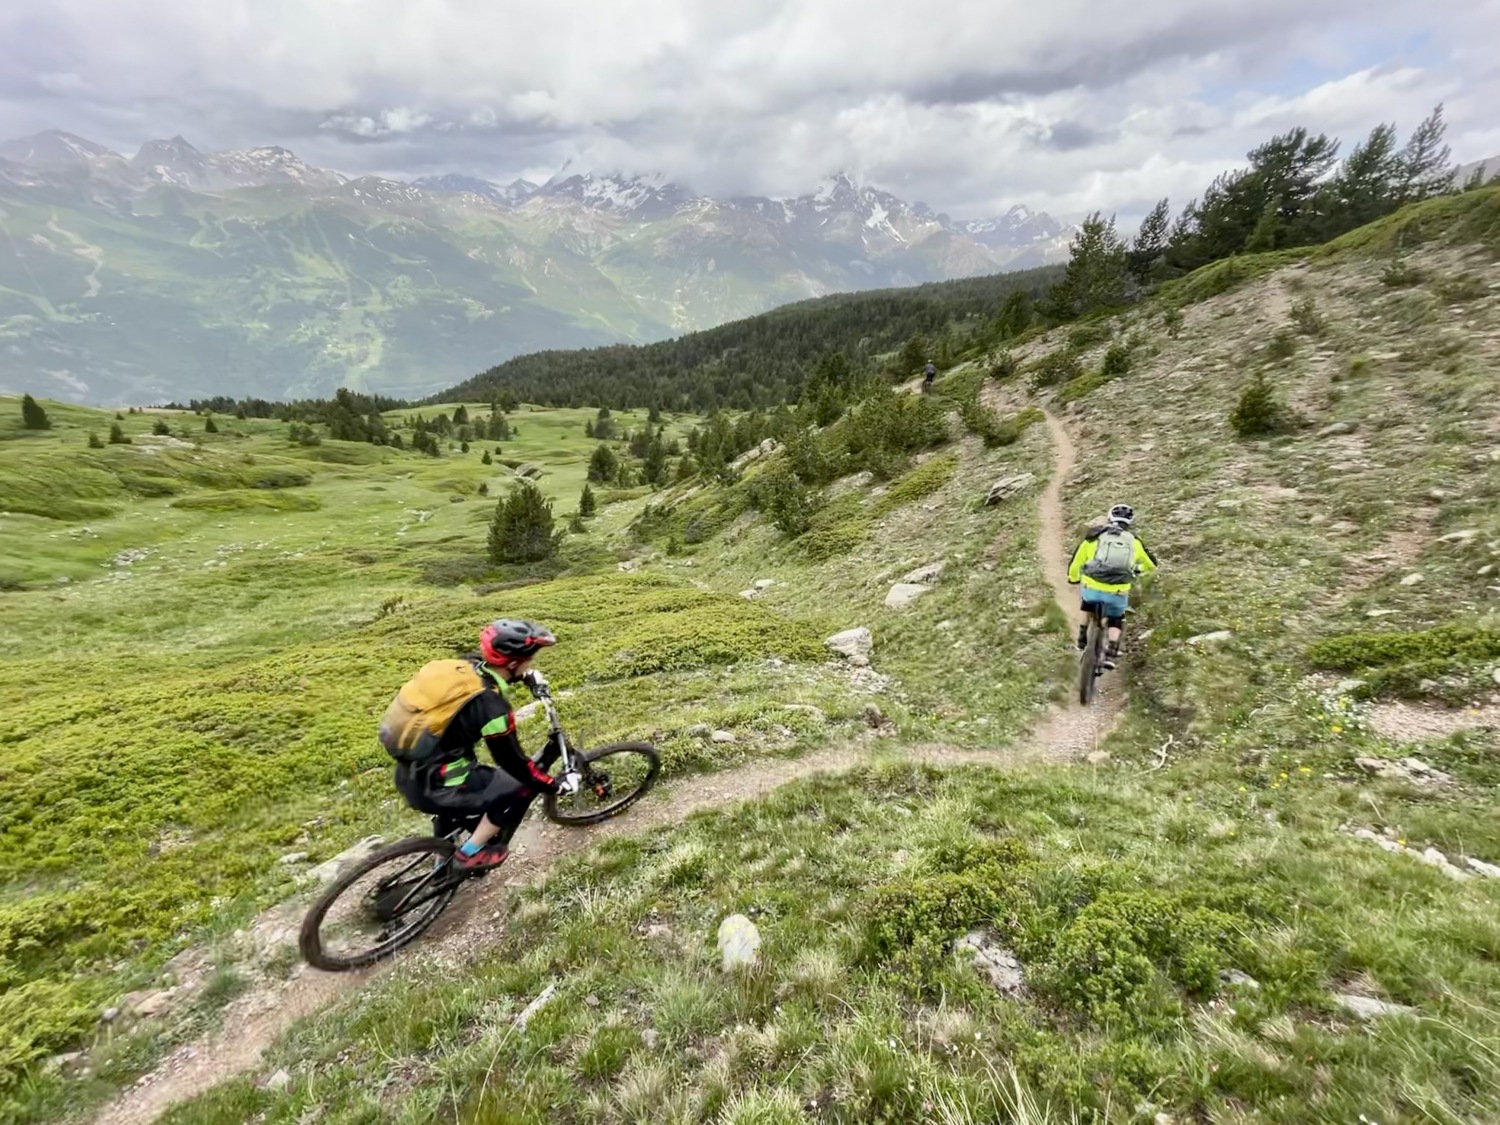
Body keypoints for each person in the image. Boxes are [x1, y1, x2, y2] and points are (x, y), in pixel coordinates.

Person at [381, 619, 581, 873]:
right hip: (441, 784)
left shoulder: (466, 667)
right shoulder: (492, 708)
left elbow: (486, 681)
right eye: (528, 660)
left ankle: (440, 860)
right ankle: (468, 855)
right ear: (511, 663)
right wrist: (555, 786)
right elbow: (514, 764)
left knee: (472, 784)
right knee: (517, 789)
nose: (531, 664)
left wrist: (524, 677)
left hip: (410, 772)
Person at [1067, 504, 1157, 669]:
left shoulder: (1094, 537)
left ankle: (1081, 638)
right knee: (1116, 618)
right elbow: (1151, 566)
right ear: (1130, 523)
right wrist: (1138, 570)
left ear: (1109, 519)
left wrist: (1073, 578)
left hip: (1092, 589)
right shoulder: (1134, 542)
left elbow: (1077, 561)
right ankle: (1112, 651)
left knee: (1087, 604)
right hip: (1117, 591)